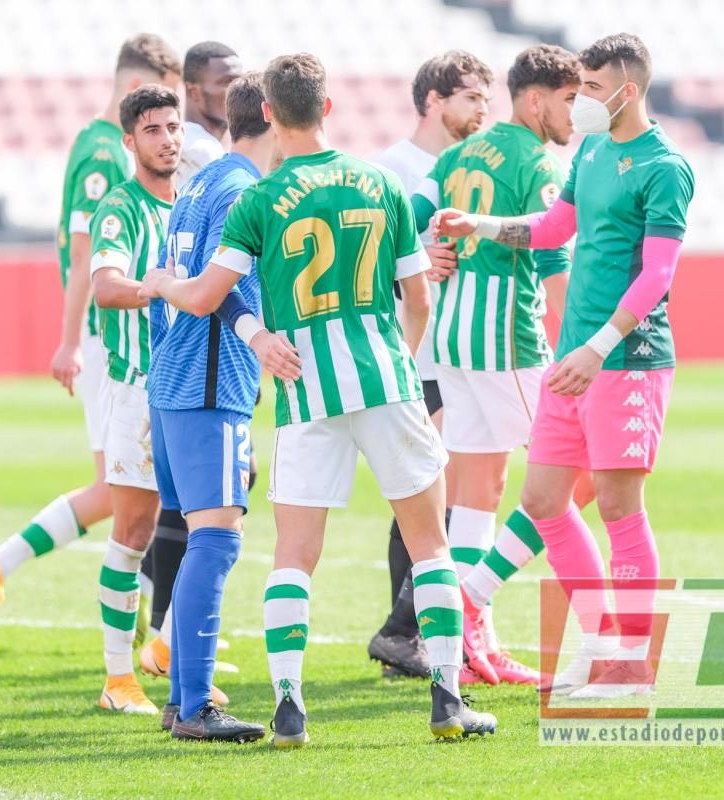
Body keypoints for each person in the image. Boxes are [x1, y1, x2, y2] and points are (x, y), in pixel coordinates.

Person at [143, 53, 497, 746]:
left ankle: (289, 707)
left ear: (269, 112)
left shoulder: (259, 199)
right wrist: (398, 356)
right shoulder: (379, 183)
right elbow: (418, 299)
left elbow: (206, 297)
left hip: (305, 390)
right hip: (386, 381)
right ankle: (448, 700)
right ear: (328, 107)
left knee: (293, 556)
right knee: (430, 546)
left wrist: (159, 283)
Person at [431, 33, 695, 699]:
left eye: (594, 91)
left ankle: (630, 667)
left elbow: (658, 275)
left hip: (624, 360)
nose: (583, 105)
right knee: (544, 499)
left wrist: (598, 346)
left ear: (627, 91)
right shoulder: (594, 150)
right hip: (572, 360)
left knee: (617, 506)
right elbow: (552, 228)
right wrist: (482, 226)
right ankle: (604, 649)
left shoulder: (665, 166)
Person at [0, 34, 181, 649]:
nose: (169, 131)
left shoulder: (102, 143)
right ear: (139, 89)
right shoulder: (105, 152)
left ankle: (137, 632)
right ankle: (0, 567)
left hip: (118, 333)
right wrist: (70, 340)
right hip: (112, 337)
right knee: (126, 491)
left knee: (128, 492)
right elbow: (87, 254)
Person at [411, 43, 583, 686]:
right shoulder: (537, 161)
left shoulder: (456, 155)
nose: (579, 112)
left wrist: (427, 254)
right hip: (506, 344)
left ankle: (460, 645)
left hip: (450, 343)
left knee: (479, 490)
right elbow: (551, 253)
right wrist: (577, 352)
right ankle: (471, 599)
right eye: (571, 99)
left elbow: (406, 219)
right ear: (536, 99)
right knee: (579, 471)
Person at [139, 72, 297, 742]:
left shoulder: (198, 185)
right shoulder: (240, 190)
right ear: (274, 118)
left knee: (202, 533)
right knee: (217, 538)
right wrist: (254, 339)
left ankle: (182, 700)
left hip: (175, 381)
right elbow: (210, 291)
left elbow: (164, 286)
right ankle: (197, 703)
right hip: (209, 384)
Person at [368, 50, 492, 681]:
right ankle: (407, 633)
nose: (482, 108)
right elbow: (368, 263)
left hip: (457, 347)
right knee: (425, 490)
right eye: (471, 96)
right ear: (435, 99)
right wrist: (417, 257)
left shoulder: (473, 168)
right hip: (412, 347)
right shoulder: (393, 170)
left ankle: (413, 634)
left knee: (440, 491)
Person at [88, 84, 184, 715]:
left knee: (218, 515)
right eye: (152, 130)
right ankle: (118, 679)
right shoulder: (121, 209)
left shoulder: (194, 200)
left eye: (173, 128)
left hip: (189, 385)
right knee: (134, 528)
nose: (168, 139)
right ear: (130, 141)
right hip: (139, 388)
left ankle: (172, 654)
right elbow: (105, 286)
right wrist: (159, 291)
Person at [176, 41, 243, 185]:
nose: (240, 89)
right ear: (193, 92)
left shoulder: (207, 146)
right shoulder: (198, 149)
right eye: (227, 82)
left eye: (240, 81)